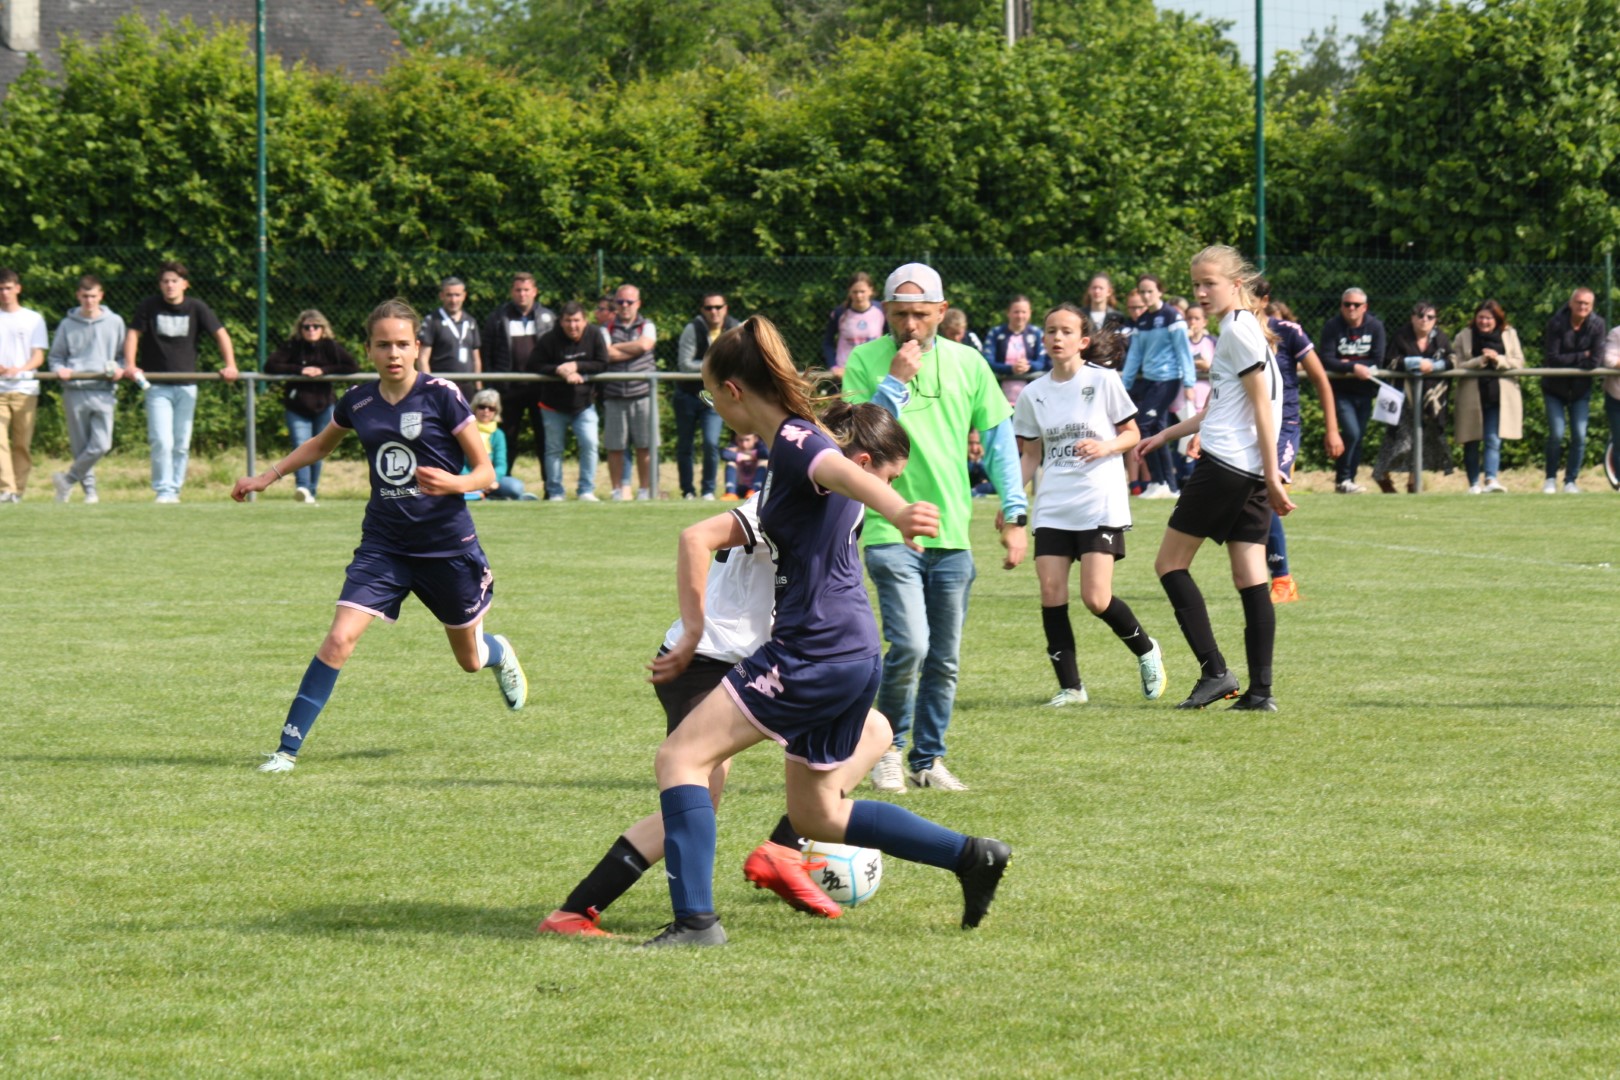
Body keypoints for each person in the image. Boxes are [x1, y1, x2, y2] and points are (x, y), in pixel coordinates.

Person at [642, 316, 1010, 947]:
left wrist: (897, 508)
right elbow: (843, 465)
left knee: (681, 757)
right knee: (818, 813)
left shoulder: (795, 439)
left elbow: (842, 471)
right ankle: (972, 856)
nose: (713, 407)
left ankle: (695, 923)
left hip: (813, 647)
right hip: (853, 650)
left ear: (733, 390)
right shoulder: (798, 434)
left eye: (709, 394)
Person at [536, 403, 909, 937]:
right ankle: (578, 911)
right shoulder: (786, 503)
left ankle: (784, 848)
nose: (886, 489)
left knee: (873, 731)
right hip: (707, 661)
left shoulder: (834, 501)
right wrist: (693, 630)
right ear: (858, 462)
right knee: (696, 796)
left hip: (772, 663)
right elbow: (696, 537)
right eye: (887, 478)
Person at [231, 299, 528, 773]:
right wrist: (267, 476)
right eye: (384, 344)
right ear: (368, 349)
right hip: (384, 546)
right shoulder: (358, 401)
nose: (394, 353)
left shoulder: (442, 395)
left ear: (417, 348)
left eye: (403, 344)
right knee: (338, 640)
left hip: (446, 548)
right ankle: (285, 752)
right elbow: (320, 444)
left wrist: (454, 483)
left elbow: (486, 473)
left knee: (470, 659)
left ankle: (500, 651)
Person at [843, 262, 1028, 793]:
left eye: (921, 314)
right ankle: (885, 750)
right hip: (887, 528)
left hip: (952, 535)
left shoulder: (969, 363)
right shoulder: (864, 361)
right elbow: (856, 442)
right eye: (901, 314)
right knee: (912, 646)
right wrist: (895, 381)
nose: (910, 325)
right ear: (885, 311)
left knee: (944, 659)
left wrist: (1015, 515)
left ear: (942, 312)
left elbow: (999, 443)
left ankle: (928, 761)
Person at [1134, 245, 1290, 713]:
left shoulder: (1235, 331)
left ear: (1236, 284)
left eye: (1210, 284)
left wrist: (1274, 474)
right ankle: (1260, 692)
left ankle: (1215, 672)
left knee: (1169, 564)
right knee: (1250, 576)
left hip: (1226, 466)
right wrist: (1166, 434)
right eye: (1196, 285)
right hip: (1248, 471)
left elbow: (1262, 407)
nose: (1201, 293)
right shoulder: (1245, 328)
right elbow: (1222, 406)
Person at [1014, 305, 1165, 707]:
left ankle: (1147, 648)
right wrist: (1012, 498)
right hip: (1053, 505)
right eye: (1051, 331)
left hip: (1098, 501)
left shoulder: (1103, 380)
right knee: (1051, 592)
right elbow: (1031, 455)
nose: (1057, 337)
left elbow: (1132, 434)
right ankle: (1071, 688)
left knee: (1096, 598)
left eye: (1066, 331)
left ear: (1082, 341)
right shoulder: (1032, 393)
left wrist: (1106, 447)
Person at [1253, 286, 1342, 605]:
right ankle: (1255, 576)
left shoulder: (1288, 331)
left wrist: (1332, 429)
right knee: (1249, 500)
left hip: (1284, 427)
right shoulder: (1236, 333)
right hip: (1250, 427)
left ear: (1263, 301)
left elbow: (1320, 379)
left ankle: (1282, 580)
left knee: (1267, 494)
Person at [124, 261, 240, 503]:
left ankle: (175, 490)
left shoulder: (197, 307)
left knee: (181, 443)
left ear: (184, 284)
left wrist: (230, 365)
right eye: (165, 281)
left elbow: (220, 333)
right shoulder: (149, 306)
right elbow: (133, 333)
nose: (170, 285)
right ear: (160, 285)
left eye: (174, 281)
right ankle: (163, 490)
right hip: (157, 386)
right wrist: (130, 364)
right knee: (161, 441)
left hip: (187, 385)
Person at [263, 309, 359, 504]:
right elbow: (270, 365)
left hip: (324, 405)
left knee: (320, 447)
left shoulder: (330, 346)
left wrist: (323, 370)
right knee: (301, 445)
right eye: (306, 327)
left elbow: (352, 366)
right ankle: (303, 487)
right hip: (297, 406)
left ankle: (311, 492)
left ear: (323, 329)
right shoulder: (293, 346)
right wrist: (300, 370)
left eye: (316, 326)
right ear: (300, 329)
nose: (311, 330)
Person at [49, 275, 127, 504]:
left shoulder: (115, 322)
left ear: (101, 296)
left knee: (102, 444)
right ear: (78, 296)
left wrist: (120, 368)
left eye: (93, 296)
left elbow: (124, 355)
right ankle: (89, 492)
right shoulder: (67, 324)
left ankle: (67, 480)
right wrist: (60, 369)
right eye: (84, 296)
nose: (89, 301)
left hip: (104, 389)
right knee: (80, 445)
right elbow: (55, 357)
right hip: (75, 389)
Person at [1121, 274, 1197, 500]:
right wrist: (1124, 385)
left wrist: (1189, 383)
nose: (1146, 295)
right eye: (1142, 291)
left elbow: (1183, 351)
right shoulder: (1142, 321)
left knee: (1144, 426)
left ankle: (1159, 480)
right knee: (1157, 430)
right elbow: (1135, 355)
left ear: (1160, 292)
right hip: (1149, 381)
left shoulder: (1172, 317)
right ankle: (1168, 485)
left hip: (1168, 380)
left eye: (1149, 291)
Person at [1370, 302, 1454, 495]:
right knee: (1402, 442)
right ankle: (1382, 475)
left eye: (1430, 317)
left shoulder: (1440, 338)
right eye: (1420, 315)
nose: (1425, 320)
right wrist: (1413, 363)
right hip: (1402, 398)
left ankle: (1413, 483)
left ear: (1435, 320)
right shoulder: (1401, 336)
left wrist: (1434, 366)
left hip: (1429, 400)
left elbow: (1452, 360)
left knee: (1421, 441)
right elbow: (1389, 361)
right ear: (1412, 318)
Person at [532, 301, 607, 502]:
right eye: (568, 321)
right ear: (561, 321)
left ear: (585, 320)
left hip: (584, 404)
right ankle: (556, 492)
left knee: (590, 444)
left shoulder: (595, 335)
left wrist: (577, 366)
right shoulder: (549, 338)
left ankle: (586, 490)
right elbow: (534, 364)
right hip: (552, 405)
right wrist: (559, 370)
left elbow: (602, 363)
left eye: (576, 320)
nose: (572, 325)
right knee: (554, 449)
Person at [482, 273, 556, 477]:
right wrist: (491, 383)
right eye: (518, 290)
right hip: (508, 389)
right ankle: (502, 484)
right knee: (507, 439)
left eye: (526, 290)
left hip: (540, 389)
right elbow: (487, 353)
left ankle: (550, 487)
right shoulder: (498, 317)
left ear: (535, 292)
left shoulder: (548, 318)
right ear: (512, 292)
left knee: (545, 439)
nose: (522, 294)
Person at [1450, 300, 1524, 494]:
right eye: (1481, 317)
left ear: (1497, 319)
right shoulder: (1463, 336)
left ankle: (1491, 479)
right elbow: (1457, 364)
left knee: (1493, 439)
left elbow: (1518, 362)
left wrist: (1497, 359)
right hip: (1471, 396)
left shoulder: (1509, 334)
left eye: (1489, 318)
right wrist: (1480, 360)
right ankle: (1474, 484)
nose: (1484, 321)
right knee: (1471, 440)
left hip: (1498, 397)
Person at [1316, 287, 1385, 493]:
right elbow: (1327, 359)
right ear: (1341, 306)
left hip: (1364, 391)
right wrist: (1354, 367)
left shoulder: (1375, 327)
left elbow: (1378, 359)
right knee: (1352, 432)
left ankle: (1348, 480)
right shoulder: (1332, 326)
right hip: (1340, 392)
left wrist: (1346, 363)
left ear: (1365, 307)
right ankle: (1343, 479)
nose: (1351, 308)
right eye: (1347, 304)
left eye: (1356, 305)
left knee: (1358, 435)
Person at [674, 292, 740, 500]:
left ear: (725, 308)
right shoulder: (692, 329)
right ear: (702, 310)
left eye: (718, 307)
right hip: (687, 395)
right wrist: (718, 366)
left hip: (715, 397)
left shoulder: (736, 329)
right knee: (685, 445)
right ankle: (688, 491)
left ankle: (708, 490)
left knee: (711, 442)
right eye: (709, 308)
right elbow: (685, 364)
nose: (714, 312)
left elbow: (741, 361)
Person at [1540, 287, 1606, 493]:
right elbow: (1553, 360)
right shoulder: (1556, 323)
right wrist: (1582, 355)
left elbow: (1595, 361)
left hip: (1580, 391)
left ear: (1592, 306)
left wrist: (1574, 358)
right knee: (1557, 433)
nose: (1582, 306)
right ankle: (1550, 479)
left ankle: (1571, 481)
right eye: (1579, 302)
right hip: (1554, 389)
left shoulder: (1598, 324)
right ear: (1570, 303)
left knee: (1579, 435)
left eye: (1587, 303)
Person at [0, 268, 49, 504]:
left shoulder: (33, 318)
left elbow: (38, 355)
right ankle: (6, 489)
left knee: (21, 443)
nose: (4, 293)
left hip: (25, 389)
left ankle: (17, 491)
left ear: (18, 288)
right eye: (0, 289)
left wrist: (20, 369)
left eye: (8, 288)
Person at [604, 284, 656, 500]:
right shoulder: (605, 328)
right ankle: (617, 491)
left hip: (643, 394)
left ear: (638, 303)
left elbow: (645, 345)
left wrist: (618, 348)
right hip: (614, 395)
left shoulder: (647, 325)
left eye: (629, 302)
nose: (624, 305)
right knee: (615, 447)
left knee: (645, 446)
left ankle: (644, 491)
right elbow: (605, 354)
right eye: (620, 302)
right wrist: (634, 348)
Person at [464, 389, 537, 500]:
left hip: (490, 480)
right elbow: (460, 463)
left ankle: (488, 495)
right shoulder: (465, 431)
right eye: (482, 407)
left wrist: (493, 480)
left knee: (516, 487)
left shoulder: (498, 434)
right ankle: (484, 496)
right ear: (474, 408)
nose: (486, 411)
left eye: (491, 408)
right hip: (467, 478)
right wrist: (473, 481)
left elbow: (501, 464)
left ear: (496, 411)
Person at [982, 294, 1049, 405]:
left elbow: (1042, 362)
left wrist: (1028, 365)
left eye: (1024, 312)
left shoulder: (1037, 333)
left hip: (1032, 398)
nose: (1020, 316)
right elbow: (988, 362)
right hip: (999, 398)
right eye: (1016, 312)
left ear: (1030, 313)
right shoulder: (995, 333)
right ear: (1008, 313)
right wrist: (1011, 369)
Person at [821, 271, 886, 377]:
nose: (859, 296)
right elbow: (828, 342)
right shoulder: (840, 313)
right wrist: (834, 366)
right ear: (849, 292)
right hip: (846, 372)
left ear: (871, 290)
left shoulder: (882, 311)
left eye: (862, 291)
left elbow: (891, 339)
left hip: (874, 370)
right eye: (855, 292)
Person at [416, 277, 482, 377]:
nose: (453, 300)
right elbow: (423, 358)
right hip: (441, 383)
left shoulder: (471, 321)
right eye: (449, 295)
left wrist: (478, 384)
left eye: (457, 295)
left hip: (467, 383)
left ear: (464, 296)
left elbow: (476, 358)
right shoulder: (432, 321)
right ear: (441, 296)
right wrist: (429, 383)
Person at [721, 430, 766, 499]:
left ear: (755, 439)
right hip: (739, 486)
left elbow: (768, 453)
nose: (744, 444)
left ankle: (754, 491)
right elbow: (724, 454)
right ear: (736, 439)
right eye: (740, 440)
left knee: (763, 462)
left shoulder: (761, 447)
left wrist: (752, 454)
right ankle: (730, 493)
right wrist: (742, 456)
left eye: (747, 440)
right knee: (731, 463)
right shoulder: (733, 446)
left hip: (756, 487)